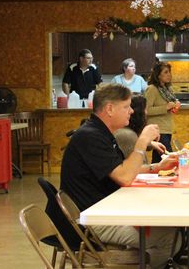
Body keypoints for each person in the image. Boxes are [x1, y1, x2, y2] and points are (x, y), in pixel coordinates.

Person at [60, 83, 179, 269]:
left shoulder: (101, 133)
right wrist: (141, 142)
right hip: (95, 220)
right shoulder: (90, 137)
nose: (131, 111)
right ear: (109, 109)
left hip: (107, 209)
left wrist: (157, 167)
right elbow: (124, 177)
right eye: (126, 106)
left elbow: (120, 169)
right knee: (171, 237)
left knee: (170, 228)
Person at [145, 62, 180, 163]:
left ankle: (152, 177)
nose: (169, 75)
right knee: (169, 158)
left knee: (158, 160)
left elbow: (170, 106)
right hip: (158, 130)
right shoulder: (152, 89)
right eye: (165, 72)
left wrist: (175, 105)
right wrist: (166, 107)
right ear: (158, 75)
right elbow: (146, 110)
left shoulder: (167, 89)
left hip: (167, 128)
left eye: (169, 72)